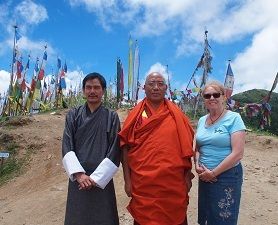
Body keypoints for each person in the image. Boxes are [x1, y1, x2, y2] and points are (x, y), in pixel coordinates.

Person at [119, 72, 194, 225]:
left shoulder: (177, 115)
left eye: (160, 84)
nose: (155, 88)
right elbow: (124, 148)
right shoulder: (135, 115)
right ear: (144, 88)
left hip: (173, 183)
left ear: (166, 88)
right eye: (151, 84)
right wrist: (127, 179)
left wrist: (187, 173)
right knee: (145, 219)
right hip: (143, 184)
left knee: (175, 217)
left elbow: (186, 147)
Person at [62, 72, 121, 225]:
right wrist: (80, 175)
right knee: (78, 218)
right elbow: (67, 146)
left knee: (104, 218)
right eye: (88, 88)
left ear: (103, 91)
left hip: (102, 180)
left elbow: (115, 150)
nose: (92, 91)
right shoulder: (73, 115)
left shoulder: (111, 117)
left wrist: (95, 178)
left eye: (96, 87)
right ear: (83, 90)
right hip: (79, 179)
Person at [195, 81, 246, 225]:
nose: (211, 98)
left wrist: (214, 173)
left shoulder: (234, 118)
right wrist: (197, 164)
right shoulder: (201, 120)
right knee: (207, 214)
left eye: (216, 94)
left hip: (227, 175)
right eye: (207, 95)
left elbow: (237, 153)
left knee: (223, 218)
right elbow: (198, 148)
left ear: (224, 97)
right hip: (205, 175)